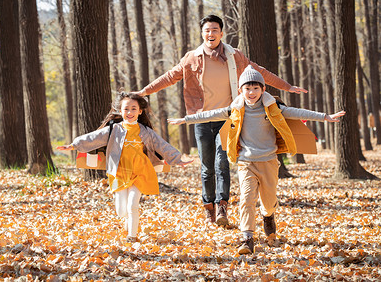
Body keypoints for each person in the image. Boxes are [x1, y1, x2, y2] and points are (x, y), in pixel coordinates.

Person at [135, 14, 308, 227]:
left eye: (215, 30)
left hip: (228, 119)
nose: (211, 34)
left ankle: (222, 207)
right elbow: (170, 76)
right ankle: (209, 207)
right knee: (207, 166)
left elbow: (259, 72)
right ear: (202, 33)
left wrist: (287, 87)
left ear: (221, 33)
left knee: (222, 162)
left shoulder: (234, 56)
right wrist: (144, 91)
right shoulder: (191, 58)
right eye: (207, 30)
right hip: (201, 118)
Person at [168, 65, 345, 254]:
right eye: (247, 88)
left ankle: (268, 216)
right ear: (240, 90)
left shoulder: (273, 107)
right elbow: (209, 114)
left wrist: (326, 117)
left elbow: (298, 112)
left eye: (255, 88)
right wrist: (185, 120)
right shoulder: (235, 109)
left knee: (268, 201)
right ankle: (247, 238)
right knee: (246, 199)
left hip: (268, 160)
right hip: (246, 163)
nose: (251, 93)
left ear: (263, 89)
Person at [57, 92, 192, 243]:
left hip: (141, 172)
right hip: (120, 172)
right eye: (126, 109)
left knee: (133, 204)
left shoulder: (146, 132)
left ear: (140, 111)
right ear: (120, 111)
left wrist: (177, 159)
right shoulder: (114, 129)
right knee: (122, 210)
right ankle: (127, 220)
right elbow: (93, 137)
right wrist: (73, 145)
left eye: (134, 109)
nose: (130, 112)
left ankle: (132, 237)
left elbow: (162, 145)